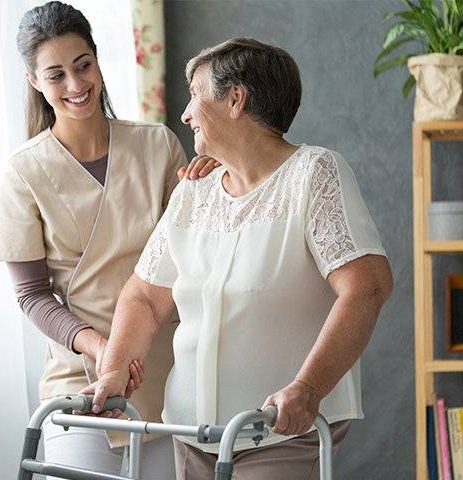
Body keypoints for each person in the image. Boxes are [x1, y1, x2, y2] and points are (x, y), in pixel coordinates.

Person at [83, 37, 394, 480]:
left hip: (280, 429)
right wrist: (114, 370)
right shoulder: (195, 191)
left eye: (195, 96)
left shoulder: (314, 174)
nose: (185, 113)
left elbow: (368, 286)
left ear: (235, 99)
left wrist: (307, 389)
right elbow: (145, 297)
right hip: (191, 430)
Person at [0, 2, 216, 478]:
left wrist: (214, 183)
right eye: (56, 75)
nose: (75, 86)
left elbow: (197, 254)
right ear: (34, 81)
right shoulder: (22, 172)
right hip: (79, 383)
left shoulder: (157, 145)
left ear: (96, 59)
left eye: (83, 66)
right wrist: (100, 346)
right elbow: (32, 295)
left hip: (163, 377)